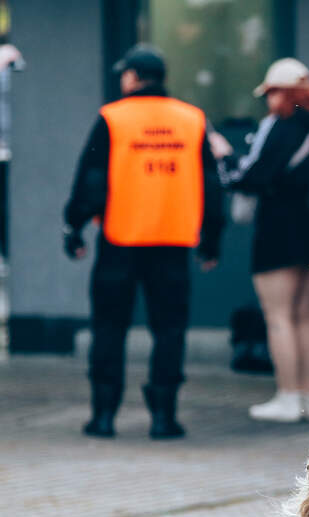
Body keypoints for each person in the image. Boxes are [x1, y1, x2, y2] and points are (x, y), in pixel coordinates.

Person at [63, 44, 224, 440]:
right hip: (172, 242)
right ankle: (164, 418)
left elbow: (92, 179)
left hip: (121, 240)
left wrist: (74, 226)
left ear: (133, 77)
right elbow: (211, 184)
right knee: (169, 330)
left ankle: (103, 416)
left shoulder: (113, 118)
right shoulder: (192, 120)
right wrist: (211, 239)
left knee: (109, 327)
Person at [221, 58, 309, 423]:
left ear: (282, 94)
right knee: (307, 316)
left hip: (278, 232)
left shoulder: (280, 128)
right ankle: (307, 397)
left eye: (270, 93)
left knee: (279, 317)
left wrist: (224, 158)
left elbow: (254, 176)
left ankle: (288, 397)